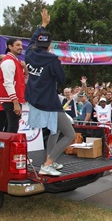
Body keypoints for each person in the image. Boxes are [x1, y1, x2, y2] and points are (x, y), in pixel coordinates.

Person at [25, 9, 75, 176]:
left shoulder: (30, 53)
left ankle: (50, 159)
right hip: (49, 103)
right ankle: (47, 164)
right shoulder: (51, 59)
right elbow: (61, 78)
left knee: (55, 130)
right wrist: (56, 60)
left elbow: (33, 39)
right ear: (48, 45)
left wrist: (43, 25)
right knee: (70, 134)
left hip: (35, 99)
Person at [0, 38, 27, 133]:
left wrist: (25, 68)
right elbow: (7, 83)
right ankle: (7, 148)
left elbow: (24, 80)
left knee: (10, 128)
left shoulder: (16, 61)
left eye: (21, 45)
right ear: (10, 47)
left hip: (13, 99)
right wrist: (15, 102)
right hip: (10, 100)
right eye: (18, 45)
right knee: (12, 129)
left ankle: (6, 147)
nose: (21, 47)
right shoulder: (8, 61)